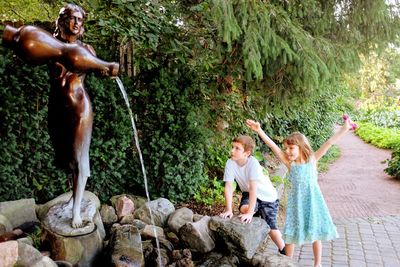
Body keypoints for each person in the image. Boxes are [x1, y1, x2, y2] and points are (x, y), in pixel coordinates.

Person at [246, 117, 353, 267]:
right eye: (286, 148)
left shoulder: (312, 160)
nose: (287, 152)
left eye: (291, 148)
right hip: (296, 203)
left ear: (301, 147)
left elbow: (329, 143)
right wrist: (259, 130)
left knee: (315, 232)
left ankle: (318, 264)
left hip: (313, 201)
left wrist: (343, 129)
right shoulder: (290, 163)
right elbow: (272, 147)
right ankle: (286, 263)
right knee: (291, 233)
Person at [219, 135, 286, 254]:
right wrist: (228, 209)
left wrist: (251, 212)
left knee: (271, 228)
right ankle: (255, 214)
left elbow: (254, 189)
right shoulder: (230, 162)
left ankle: (284, 251)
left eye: (237, 148)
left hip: (267, 197)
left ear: (247, 153)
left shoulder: (253, 163)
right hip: (248, 193)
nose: (232, 151)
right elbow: (229, 187)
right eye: (232, 147)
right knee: (243, 210)